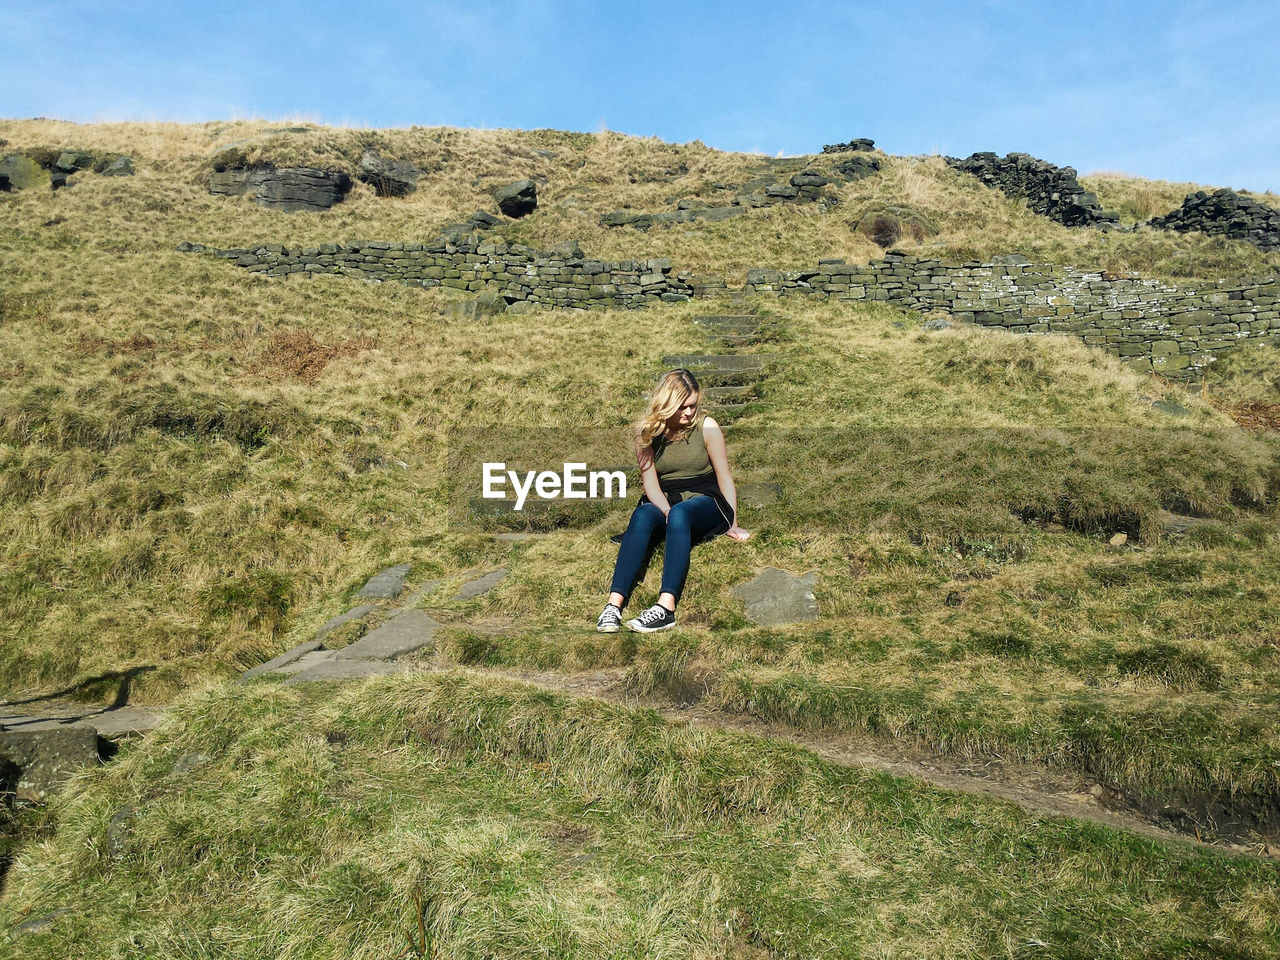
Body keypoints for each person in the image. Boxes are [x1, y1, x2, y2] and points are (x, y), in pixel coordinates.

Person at [596, 368, 750, 633]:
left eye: (693, 405)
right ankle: (613, 606)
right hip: (667, 498)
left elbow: (724, 477)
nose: (689, 412)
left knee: (680, 513)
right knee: (643, 514)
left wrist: (732, 522)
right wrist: (666, 511)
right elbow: (650, 484)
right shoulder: (646, 433)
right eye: (683, 407)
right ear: (667, 404)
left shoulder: (707, 427)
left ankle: (665, 608)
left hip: (706, 500)